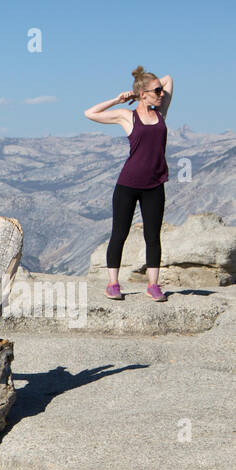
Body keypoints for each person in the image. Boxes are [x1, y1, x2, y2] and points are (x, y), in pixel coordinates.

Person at [84, 66, 173, 302]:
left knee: (153, 236)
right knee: (119, 233)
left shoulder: (160, 112)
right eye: (156, 91)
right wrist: (118, 99)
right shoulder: (127, 116)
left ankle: (153, 285)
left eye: (160, 90)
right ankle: (113, 283)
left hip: (155, 184)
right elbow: (90, 113)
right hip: (128, 184)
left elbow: (169, 79)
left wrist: (142, 90)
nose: (161, 93)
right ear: (144, 93)